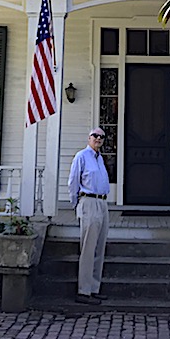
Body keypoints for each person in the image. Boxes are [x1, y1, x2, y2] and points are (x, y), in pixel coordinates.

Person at [68, 127, 111, 305]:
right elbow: (73, 181)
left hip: (102, 203)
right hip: (88, 201)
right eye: (95, 136)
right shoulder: (81, 157)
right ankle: (83, 291)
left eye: (101, 137)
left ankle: (94, 288)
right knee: (88, 248)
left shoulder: (99, 158)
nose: (98, 139)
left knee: (99, 247)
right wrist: (76, 204)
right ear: (89, 138)